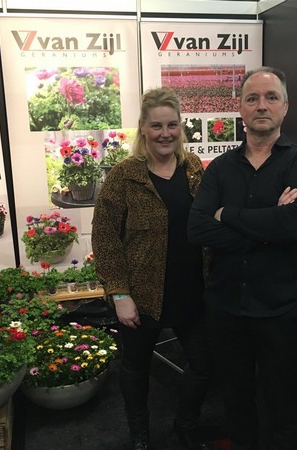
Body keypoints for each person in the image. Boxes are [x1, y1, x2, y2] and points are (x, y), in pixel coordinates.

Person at [188, 67, 297, 449]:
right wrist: (269, 224)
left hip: (282, 311)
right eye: (252, 98)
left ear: (285, 107)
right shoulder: (221, 168)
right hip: (226, 309)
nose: (262, 105)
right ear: (241, 108)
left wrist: (227, 215)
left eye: (271, 97)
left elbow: (294, 225)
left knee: (284, 408)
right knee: (236, 405)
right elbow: (197, 229)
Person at [91, 87, 213, 450]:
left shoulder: (194, 168)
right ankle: (140, 435)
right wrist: (120, 294)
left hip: (193, 290)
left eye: (172, 125)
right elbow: (105, 238)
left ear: (181, 127)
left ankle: (185, 426)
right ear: (143, 127)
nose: (165, 133)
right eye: (156, 125)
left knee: (204, 365)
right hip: (141, 295)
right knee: (135, 367)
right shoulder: (124, 176)